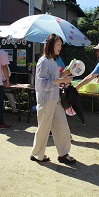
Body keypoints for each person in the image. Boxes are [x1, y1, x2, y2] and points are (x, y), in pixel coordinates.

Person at [30, 33, 75, 163]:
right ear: (50, 45)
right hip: (46, 100)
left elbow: (54, 79)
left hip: (55, 99)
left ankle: (63, 154)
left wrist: (65, 75)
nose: (60, 47)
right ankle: (37, 154)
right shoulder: (43, 62)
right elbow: (44, 84)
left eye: (61, 44)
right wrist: (62, 79)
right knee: (44, 129)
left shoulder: (52, 60)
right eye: (58, 44)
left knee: (63, 127)